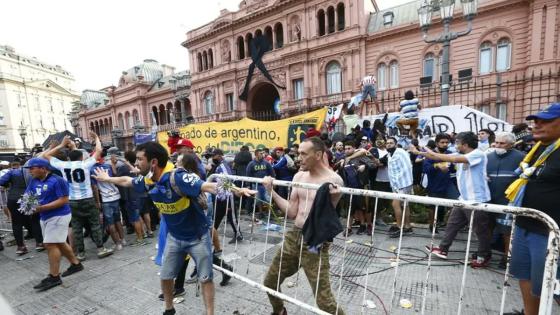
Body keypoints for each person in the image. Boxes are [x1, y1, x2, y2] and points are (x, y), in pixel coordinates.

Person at [92, 141, 253, 315]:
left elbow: (209, 185)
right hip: (175, 239)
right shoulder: (149, 179)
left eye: (139, 159)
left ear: (153, 162)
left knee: (205, 278)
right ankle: (169, 310)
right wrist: (107, 178)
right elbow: (127, 181)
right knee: (166, 276)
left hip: (198, 238)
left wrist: (236, 189)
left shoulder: (178, 177)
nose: (136, 164)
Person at [262, 137, 345, 315]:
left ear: (318, 155)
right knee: (269, 282)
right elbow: (292, 212)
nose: (299, 158)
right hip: (294, 237)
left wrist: (335, 199)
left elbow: (326, 218)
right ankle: (279, 311)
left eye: (303, 154)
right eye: (298, 153)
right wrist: (271, 191)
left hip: (315, 242)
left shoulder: (334, 180)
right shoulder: (298, 176)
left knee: (325, 302)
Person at [507, 103, 560, 315]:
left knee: (554, 285)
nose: (536, 124)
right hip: (525, 224)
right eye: (536, 120)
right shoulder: (538, 147)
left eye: (545, 120)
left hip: (550, 232)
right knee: (525, 275)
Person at [411, 132, 492, 266]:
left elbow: (450, 159)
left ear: (465, 145)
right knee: (452, 224)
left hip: (477, 199)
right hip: (463, 198)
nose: (454, 146)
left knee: (480, 230)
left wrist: (430, 152)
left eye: (457, 143)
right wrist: (419, 151)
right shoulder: (461, 155)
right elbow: (434, 157)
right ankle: (443, 249)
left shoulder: (478, 154)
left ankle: (484, 256)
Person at [41, 133, 113, 260]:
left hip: (72, 201)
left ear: (69, 158)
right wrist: (96, 138)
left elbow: (46, 155)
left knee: (76, 227)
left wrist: (61, 145)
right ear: (81, 157)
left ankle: (81, 253)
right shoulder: (85, 164)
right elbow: (98, 150)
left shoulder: (64, 165)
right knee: (95, 224)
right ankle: (101, 249)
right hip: (87, 199)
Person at [25, 158, 83, 292]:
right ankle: (76, 264)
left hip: (59, 215)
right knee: (60, 242)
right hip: (44, 216)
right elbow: (29, 195)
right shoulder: (34, 180)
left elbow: (64, 200)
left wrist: (42, 208)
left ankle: (54, 276)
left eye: (32, 168)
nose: (30, 171)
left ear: (43, 168)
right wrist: (27, 205)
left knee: (50, 244)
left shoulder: (57, 180)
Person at [486, 132, 525, 268]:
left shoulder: (521, 158)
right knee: (487, 228)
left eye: (502, 143)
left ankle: (506, 258)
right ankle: (485, 254)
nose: (498, 145)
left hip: (508, 201)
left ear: (511, 144)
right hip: (489, 200)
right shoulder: (488, 157)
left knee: (506, 231)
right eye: (496, 142)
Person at [0, 158, 43, 255]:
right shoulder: (33, 172)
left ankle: (21, 247)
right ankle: (39, 243)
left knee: (16, 222)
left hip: (13, 198)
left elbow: (1, 181)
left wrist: (8, 185)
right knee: (34, 220)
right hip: (29, 196)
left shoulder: (12, 172)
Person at [422, 134, 459, 233]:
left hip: (448, 184)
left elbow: (452, 168)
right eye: (442, 142)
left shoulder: (450, 153)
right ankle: (432, 226)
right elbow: (425, 169)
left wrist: (454, 167)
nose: (445, 144)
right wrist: (437, 166)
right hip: (434, 186)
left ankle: (449, 226)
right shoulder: (430, 155)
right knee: (433, 207)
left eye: (447, 142)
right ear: (437, 143)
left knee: (457, 204)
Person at [208, 148, 243, 244]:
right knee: (216, 217)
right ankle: (211, 234)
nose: (212, 157)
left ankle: (238, 235)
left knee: (232, 217)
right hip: (219, 196)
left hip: (227, 195)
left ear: (219, 156)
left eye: (213, 155)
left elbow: (228, 179)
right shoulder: (216, 165)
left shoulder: (223, 165)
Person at [91, 152, 124, 250]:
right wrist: (113, 164)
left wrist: (98, 202)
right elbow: (115, 175)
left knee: (110, 223)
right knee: (118, 220)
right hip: (115, 195)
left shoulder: (92, 169)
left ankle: (117, 244)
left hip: (105, 199)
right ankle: (123, 239)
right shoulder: (108, 166)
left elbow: (95, 187)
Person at [385, 137, 414, 238]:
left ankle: (399, 227)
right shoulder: (389, 155)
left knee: (395, 204)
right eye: (387, 143)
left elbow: (408, 167)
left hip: (403, 183)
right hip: (396, 185)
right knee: (405, 205)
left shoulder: (401, 152)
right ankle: (407, 226)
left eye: (391, 143)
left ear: (396, 144)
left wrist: (400, 184)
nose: (389, 144)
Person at [246, 148, 274, 221]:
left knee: (268, 200)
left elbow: (272, 172)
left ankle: (269, 214)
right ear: (256, 155)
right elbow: (248, 175)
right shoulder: (251, 164)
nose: (263, 155)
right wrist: (248, 185)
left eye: (263, 153)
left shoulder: (266, 163)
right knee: (258, 200)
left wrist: (273, 181)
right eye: (260, 153)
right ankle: (261, 212)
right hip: (256, 185)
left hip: (266, 185)